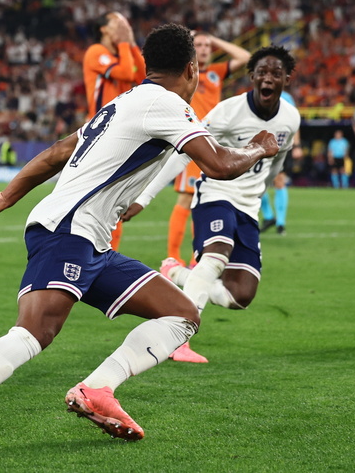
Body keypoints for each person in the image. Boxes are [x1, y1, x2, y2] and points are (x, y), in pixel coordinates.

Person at [0, 23, 279, 453]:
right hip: (69, 231)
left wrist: (5, 199)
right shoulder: (165, 104)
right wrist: (260, 147)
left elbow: (57, 152)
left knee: (181, 315)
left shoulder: (125, 102)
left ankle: (98, 389)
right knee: (33, 332)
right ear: (193, 69)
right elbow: (217, 164)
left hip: (90, 241)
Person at [124, 45, 300, 363]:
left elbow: (279, 159)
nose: (268, 78)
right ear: (252, 77)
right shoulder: (227, 112)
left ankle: (177, 273)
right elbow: (183, 153)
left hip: (247, 206)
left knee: (240, 296)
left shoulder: (290, 119)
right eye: (262, 72)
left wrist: (261, 191)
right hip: (215, 194)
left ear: (287, 78)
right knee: (216, 256)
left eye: (276, 72)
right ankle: (178, 337)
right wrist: (144, 196)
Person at [166, 32, 251, 263]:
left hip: (213, 143)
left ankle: (196, 259)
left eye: (207, 46)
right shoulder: (182, 71)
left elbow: (245, 56)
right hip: (190, 141)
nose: (204, 49)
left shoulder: (216, 72)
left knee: (203, 200)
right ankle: (173, 256)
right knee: (186, 198)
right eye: (199, 45)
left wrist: (215, 40)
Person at [82, 11, 146, 251]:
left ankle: (107, 253)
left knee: (116, 198)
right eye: (115, 22)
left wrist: (130, 44)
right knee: (99, 197)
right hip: (101, 133)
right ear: (103, 29)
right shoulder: (95, 52)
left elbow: (141, 75)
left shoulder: (122, 53)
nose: (122, 25)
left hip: (122, 133)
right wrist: (124, 43)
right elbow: (127, 73)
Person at [260, 90, 302, 235]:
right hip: (261, 144)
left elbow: (294, 123)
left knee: (279, 181)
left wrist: (297, 146)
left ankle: (280, 223)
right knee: (255, 181)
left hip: (281, 145)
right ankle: (269, 217)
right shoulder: (255, 94)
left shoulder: (286, 97)